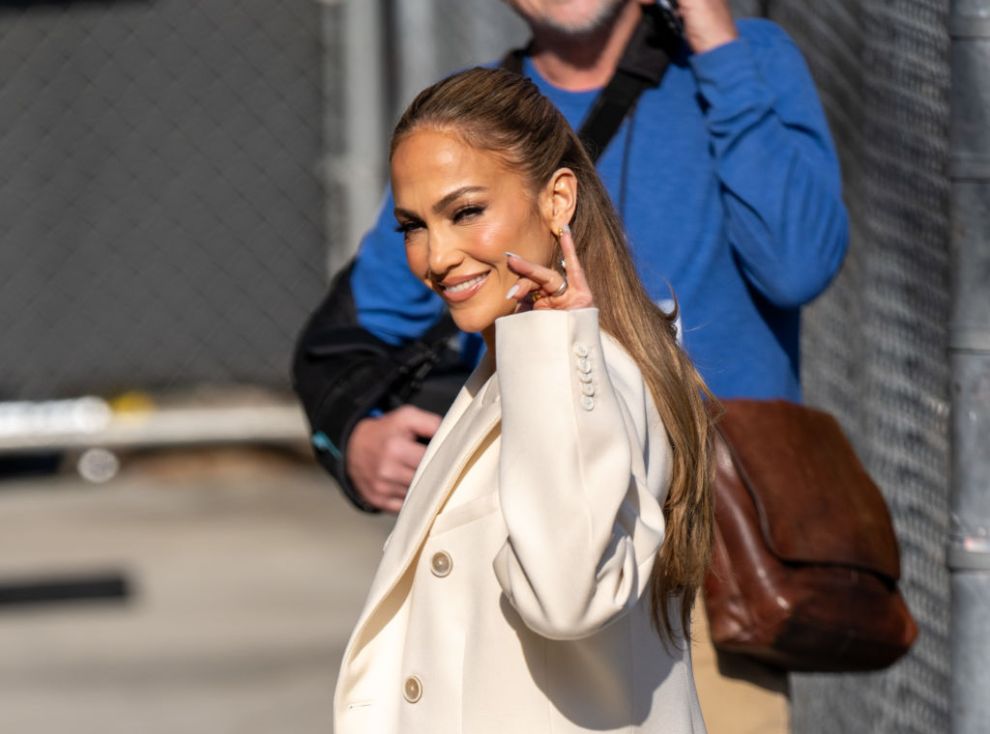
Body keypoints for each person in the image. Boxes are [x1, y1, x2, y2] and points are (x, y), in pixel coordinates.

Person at [293, 0, 848, 514]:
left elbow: (798, 268)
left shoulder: (743, 58)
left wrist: (718, 48)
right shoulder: (467, 129)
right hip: (558, 513)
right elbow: (343, 342)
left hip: (733, 518)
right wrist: (356, 438)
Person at [334, 66, 714, 734]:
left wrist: (551, 346)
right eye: (412, 226)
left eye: (466, 211)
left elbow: (565, 598)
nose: (436, 256)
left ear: (557, 200)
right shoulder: (512, 369)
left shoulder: (591, 373)